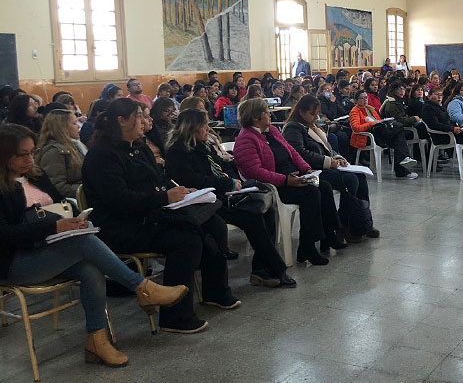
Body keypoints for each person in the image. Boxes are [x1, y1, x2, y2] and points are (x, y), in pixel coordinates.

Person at [0, 123, 188, 367]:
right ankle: (142, 288)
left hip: (39, 249)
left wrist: (70, 221)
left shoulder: (27, 177)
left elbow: (55, 204)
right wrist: (52, 227)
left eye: (32, 152)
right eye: (22, 154)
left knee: (90, 267)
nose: (30, 159)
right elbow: (5, 235)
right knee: (83, 242)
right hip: (12, 262)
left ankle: (97, 341)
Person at [83, 98, 239, 333]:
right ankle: (175, 315)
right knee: (186, 239)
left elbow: (159, 178)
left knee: (213, 224)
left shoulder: (139, 146)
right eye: (139, 116)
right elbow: (120, 200)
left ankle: (215, 292)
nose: (145, 121)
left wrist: (181, 190)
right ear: (121, 121)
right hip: (122, 225)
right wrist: (165, 197)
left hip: (151, 214)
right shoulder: (102, 156)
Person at [164, 109, 293, 283]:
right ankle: (276, 269)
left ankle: (261, 268)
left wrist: (233, 181)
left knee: (266, 208)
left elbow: (220, 169)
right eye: (204, 125)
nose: (207, 130)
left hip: (224, 194)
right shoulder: (178, 152)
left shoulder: (203, 145)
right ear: (192, 128)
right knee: (252, 217)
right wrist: (228, 184)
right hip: (207, 202)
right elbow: (193, 180)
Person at [233, 98, 341, 265]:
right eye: (266, 112)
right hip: (274, 185)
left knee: (324, 187)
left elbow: (293, 152)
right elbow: (257, 172)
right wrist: (285, 180)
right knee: (311, 193)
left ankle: (328, 235)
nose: (270, 114)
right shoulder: (246, 139)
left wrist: (306, 170)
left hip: (290, 176)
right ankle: (308, 246)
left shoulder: (272, 131)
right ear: (255, 117)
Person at [282, 95, 379, 244]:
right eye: (312, 114)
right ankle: (343, 226)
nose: (316, 117)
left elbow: (328, 147)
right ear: (301, 112)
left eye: (317, 113)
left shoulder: (313, 126)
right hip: (311, 170)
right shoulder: (293, 128)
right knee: (350, 180)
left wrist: (338, 157)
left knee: (360, 177)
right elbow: (300, 154)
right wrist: (329, 162)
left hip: (325, 166)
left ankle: (363, 222)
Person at [349, 89, 418, 179]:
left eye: (366, 97)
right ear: (356, 101)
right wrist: (372, 123)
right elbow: (356, 128)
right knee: (398, 130)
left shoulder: (370, 109)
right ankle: (402, 165)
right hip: (367, 137)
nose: (365, 100)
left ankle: (403, 162)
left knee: (398, 135)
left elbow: (379, 121)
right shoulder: (355, 111)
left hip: (379, 134)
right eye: (362, 98)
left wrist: (378, 122)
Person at [421, 87, 463, 180]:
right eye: (437, 95)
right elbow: (434, 125)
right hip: (441, 135)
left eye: (441, 95)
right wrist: (452, 128)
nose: (440, 97)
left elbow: (447, 120)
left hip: (449, 132)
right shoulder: (428, 108)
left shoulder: (439, 106)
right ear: (430, 96)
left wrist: (459, 126)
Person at [36, 109, 87, 198]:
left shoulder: (74, 145)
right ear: (62, 127)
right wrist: (89, 188)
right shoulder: (54, 152)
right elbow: (58, 187)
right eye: (74, 123)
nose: (78, 127)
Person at [179, 97, 233, 161]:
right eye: (201, 108)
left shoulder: (208, 131)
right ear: (191, 112)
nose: (206, 111)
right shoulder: (193, 144)